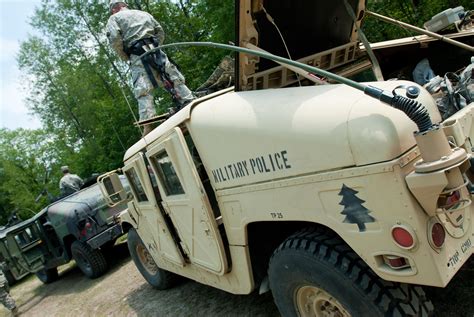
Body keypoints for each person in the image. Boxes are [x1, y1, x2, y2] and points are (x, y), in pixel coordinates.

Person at [106, 0, 195, 135]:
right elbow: (160, 31)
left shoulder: (114, 18)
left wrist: (126, 56)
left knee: (143, 88)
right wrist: (156, 46)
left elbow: (115, 40)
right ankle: (188, 100)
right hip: (157, 52)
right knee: (173, 77)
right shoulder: (143, 13)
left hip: (137, 55)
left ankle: (148, 124)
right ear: (125, 5)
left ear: (113, 9)